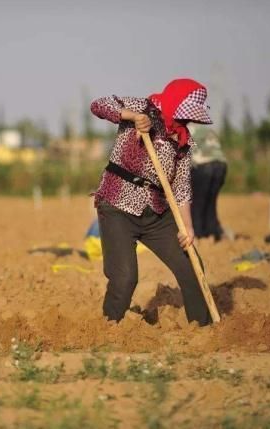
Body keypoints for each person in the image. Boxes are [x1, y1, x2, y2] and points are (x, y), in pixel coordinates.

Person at [90, 78, 213, 326]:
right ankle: (108, 326)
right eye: (184, 115)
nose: (187, 121)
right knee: (125, 277)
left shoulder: (183, 141)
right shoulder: (142, 107)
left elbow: (181, 188)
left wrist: (187, 227)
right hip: (118, 206)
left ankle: (202, 328)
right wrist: (132, 117)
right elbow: (98, 105)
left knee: (191, 265)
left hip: (156, 213)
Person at [190, 129, 227, 241]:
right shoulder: (204, 125)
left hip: (202, 165)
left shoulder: (186, 126)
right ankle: (212, 234)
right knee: (210, 202)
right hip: (221, 165)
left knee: (196, 202)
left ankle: (197, 235)